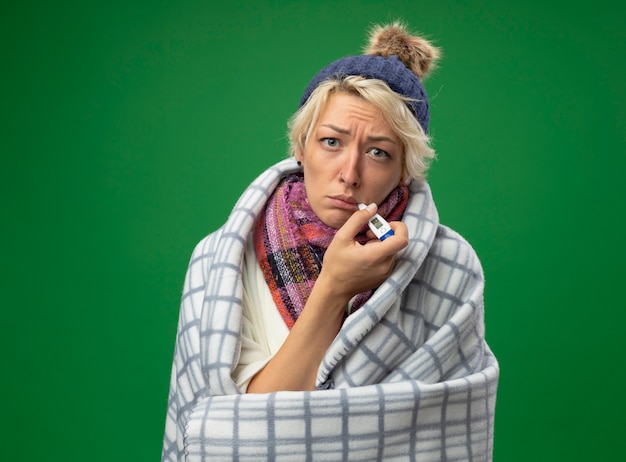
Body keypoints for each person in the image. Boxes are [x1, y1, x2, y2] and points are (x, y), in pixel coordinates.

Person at [162, 21, 499, 461]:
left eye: (378, 152)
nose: (350, 173)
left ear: (405, 170)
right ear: (301, 147)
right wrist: (335, 287)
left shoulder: (449, 264)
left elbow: (442, 435)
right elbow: (243, 432)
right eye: (331, 142)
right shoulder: (220, 259)